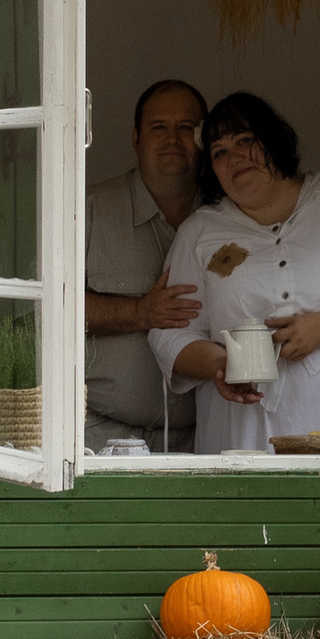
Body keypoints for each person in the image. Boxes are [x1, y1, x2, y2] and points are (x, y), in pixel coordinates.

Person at [158, 90, 320, 453]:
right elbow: (171, 332)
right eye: (219, 151)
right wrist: (220, 365)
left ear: (273, 140)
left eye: (245, 140)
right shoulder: (199, 232)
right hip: (243, 426)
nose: (233, 157)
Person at [85, 75, 207, 450]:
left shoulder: (231, 219)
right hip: (100, 438)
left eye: (186, 127)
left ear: (205, 139)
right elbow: (47, 311)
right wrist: (140, 312)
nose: (172, 139)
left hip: (204, 442)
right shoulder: (87, 210)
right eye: (158, 127)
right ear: (136, 138)